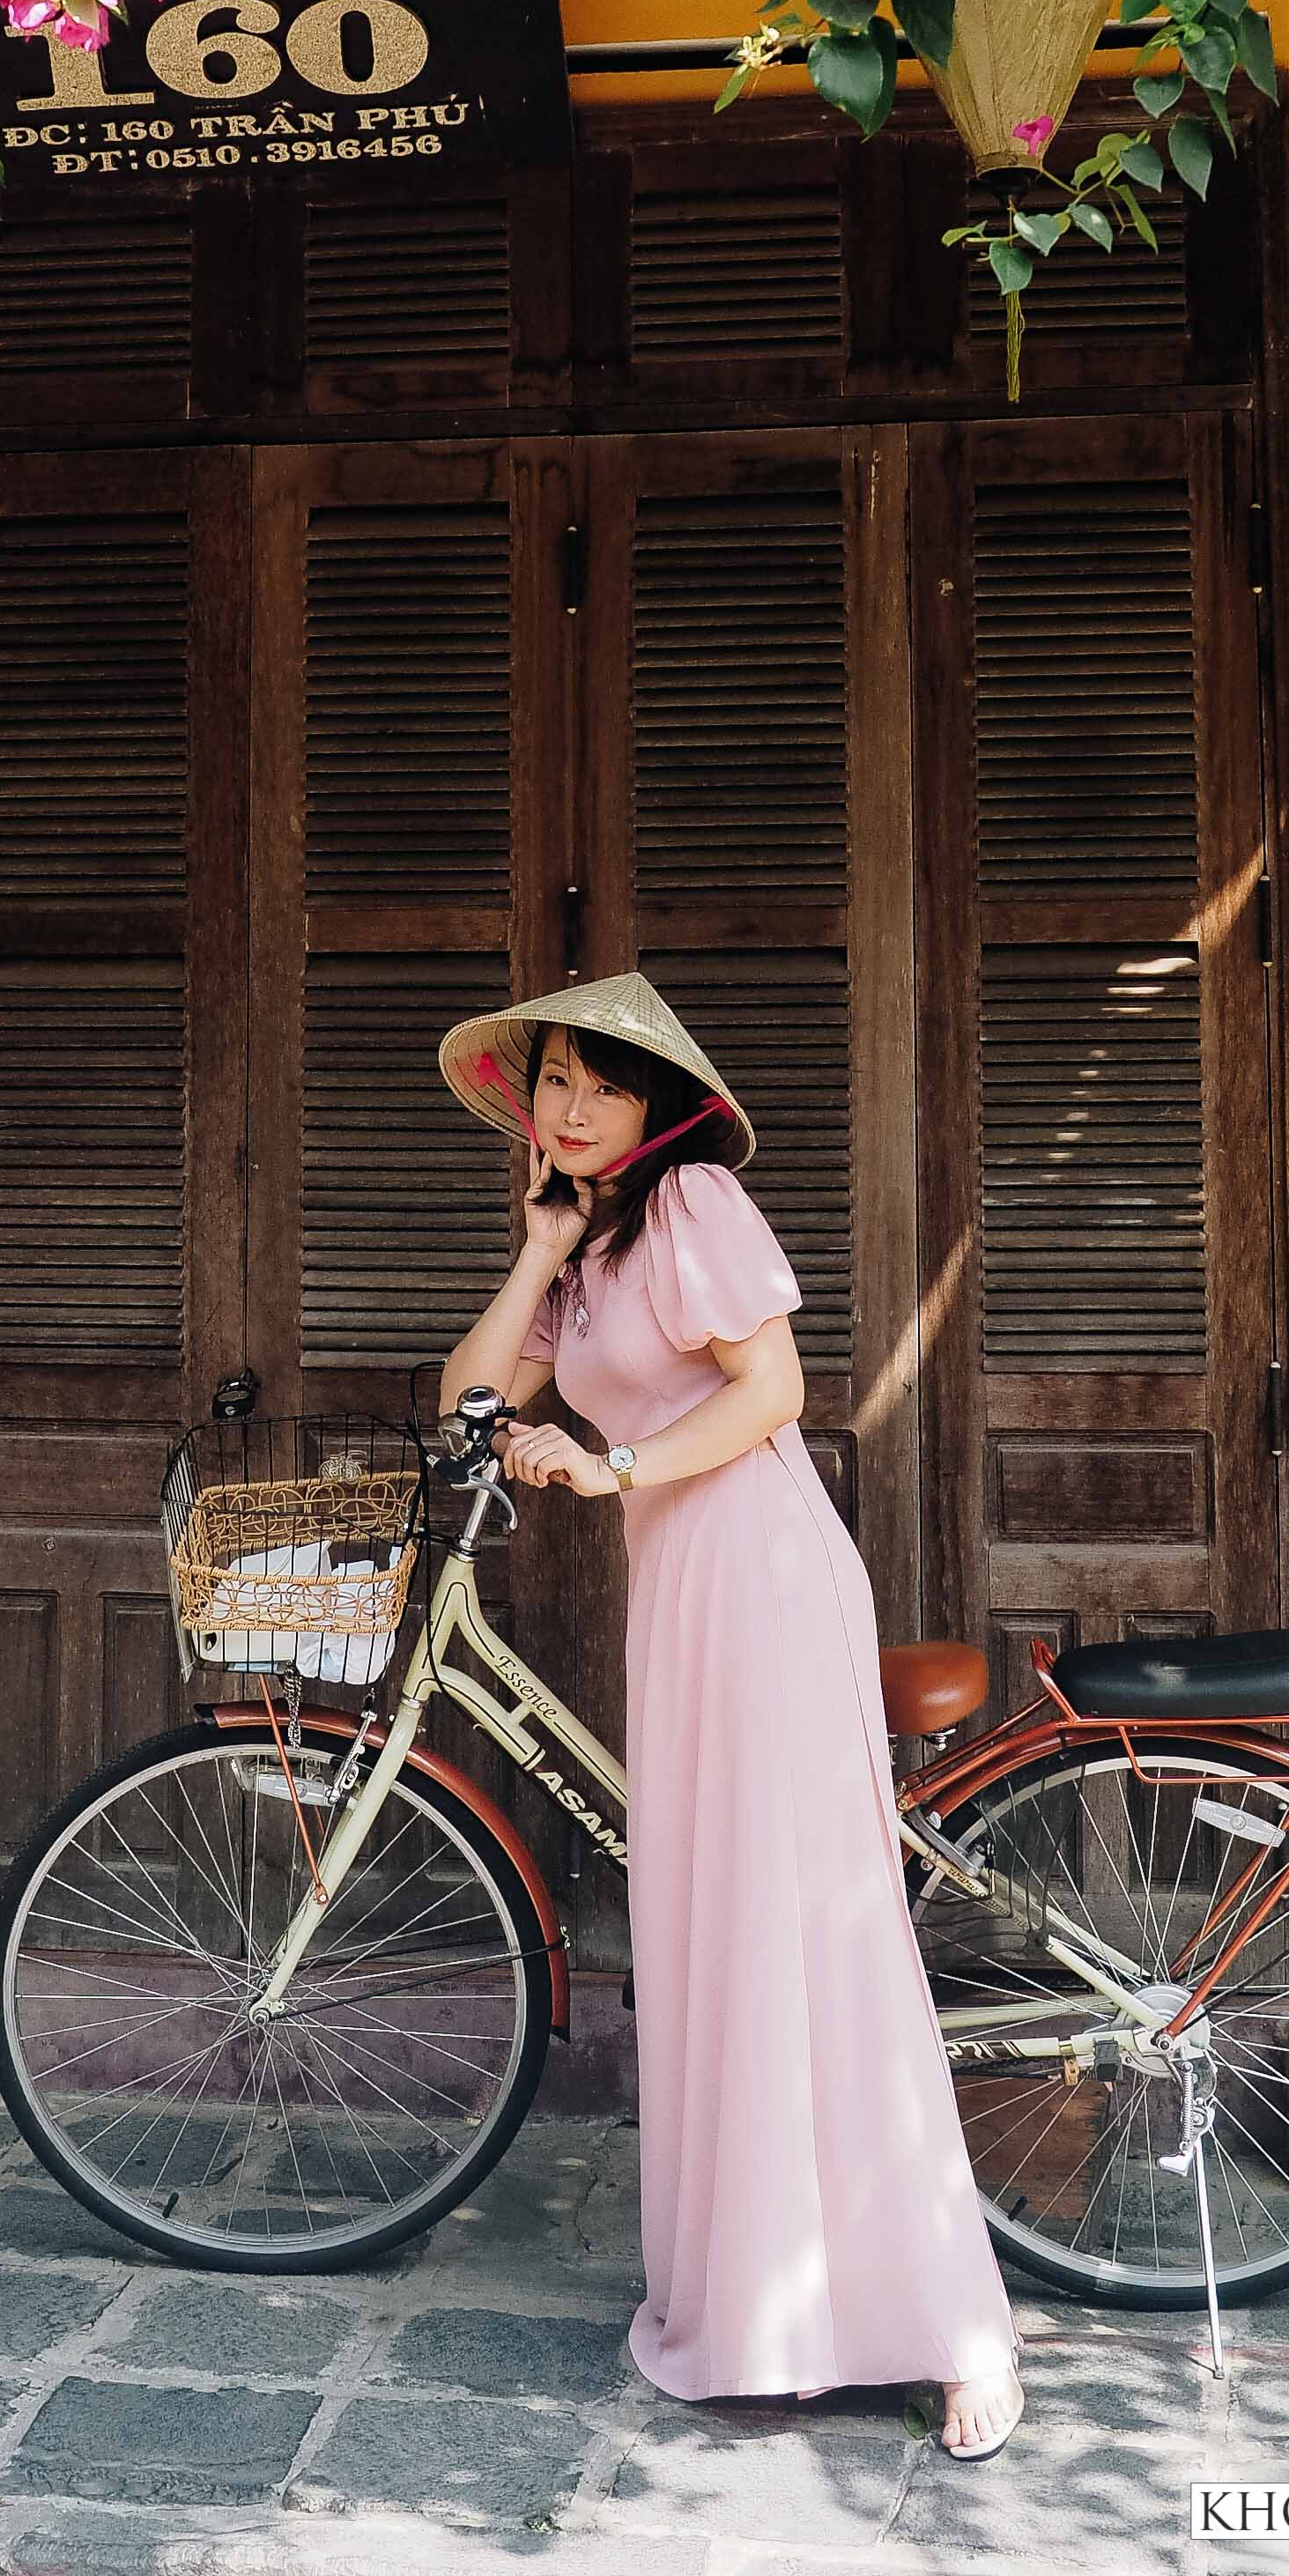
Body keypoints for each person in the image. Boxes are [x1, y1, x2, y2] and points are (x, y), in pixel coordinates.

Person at [435, 970, 1025, 2461]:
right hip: (683, 1596)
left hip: (758, 1569)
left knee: (817, 1935)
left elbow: (776, 1390)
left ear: (660, 1113)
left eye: (602, 1088)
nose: (569, 1108)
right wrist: (535, 1248)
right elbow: (464, 1395)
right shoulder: (591, 1248)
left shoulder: (694, 1204)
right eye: (555, 1080)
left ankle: (957, 2330)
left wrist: (619, 1470)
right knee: (722, 1940)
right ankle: (772, 2310)